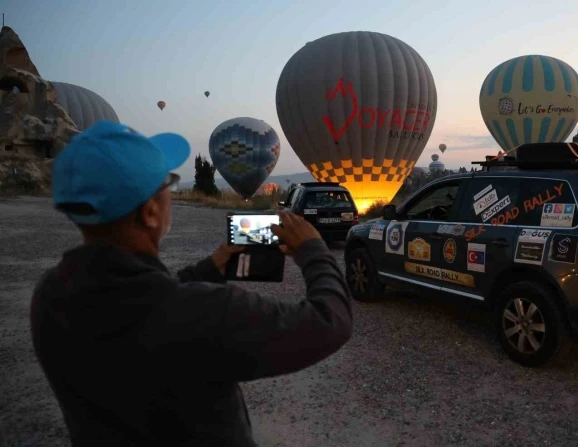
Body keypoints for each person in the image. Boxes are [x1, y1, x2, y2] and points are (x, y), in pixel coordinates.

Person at [30, 120, 353, 447]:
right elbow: (330, 322)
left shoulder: (51, 294)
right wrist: (313, 250)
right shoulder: (206, 312)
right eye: (166, 186)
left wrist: (211, 268)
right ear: (150, 212)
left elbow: (147, 302)